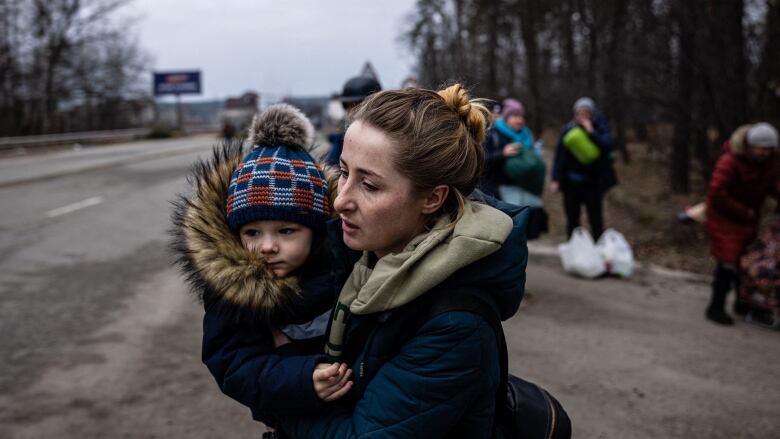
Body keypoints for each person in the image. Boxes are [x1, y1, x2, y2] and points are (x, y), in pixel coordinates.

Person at [277, 84, 528, 437]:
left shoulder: (456, 328)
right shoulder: (365, 259)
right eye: (344, 172)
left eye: (370, 186)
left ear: (432, 199)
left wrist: (280, 396)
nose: (340, 201)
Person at [170, 104, 352, 428]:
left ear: (318, 230)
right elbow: (234, 364)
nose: (267, 247)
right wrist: (301, 379)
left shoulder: (347, 269)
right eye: (252, 232)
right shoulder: (235, 291)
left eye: (286, 231)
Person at [704, 122, 780, 325]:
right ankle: (715, 307)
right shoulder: (730, 162)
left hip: (748, 219)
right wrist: (743, 210)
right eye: (761, 148)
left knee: (745, 262)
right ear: (750, 146)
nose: (764, 153)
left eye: (768, 149)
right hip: (724, 217)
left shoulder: (769, 165)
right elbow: (717, 192)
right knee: (728, 261)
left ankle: (743, 303)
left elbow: (774, 185)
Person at [550, 97, 617, 240]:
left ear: (592, 114)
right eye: (580, 113)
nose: (583, 116)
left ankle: (598, 248)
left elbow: (608, 146)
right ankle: (574, 247)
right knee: (572, 218)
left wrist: (591, 132)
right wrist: (556, 179)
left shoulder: (600, 126)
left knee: (596, 218)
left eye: (587, 113)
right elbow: (560, 155)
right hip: (571, 182)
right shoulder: (568, 128)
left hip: (594, 181)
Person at [324, 75, 382, 167]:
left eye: (359, 105)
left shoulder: (387, 139)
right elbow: (332, 166)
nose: (353, 112)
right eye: (349, 106)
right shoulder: (340, 139)